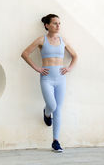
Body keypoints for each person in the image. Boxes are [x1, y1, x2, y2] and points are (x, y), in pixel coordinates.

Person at [21, 14, 78, 152]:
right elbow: (25, 53)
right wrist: (37, 68)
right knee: (52, 105)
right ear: (47, 25)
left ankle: (55, 141)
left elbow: (75, 56)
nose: (58, 26)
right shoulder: (42, 39)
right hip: (46, 78)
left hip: (60, 78)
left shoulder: (62, 40)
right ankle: (47, 113)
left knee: (58, 109)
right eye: (54, 23)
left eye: (59, 23)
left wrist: (69, 68)